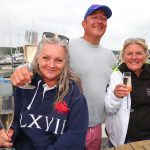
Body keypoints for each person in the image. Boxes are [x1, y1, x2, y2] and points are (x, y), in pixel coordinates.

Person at [10, 4, 116, 150]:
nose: (99, 21)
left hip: (93, 125)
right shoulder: (67, 44)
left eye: (103, 18)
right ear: (84, 23)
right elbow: (38, 60)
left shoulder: (110, 56)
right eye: (94, 17)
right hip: (64, 120)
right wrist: (20, 70)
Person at [0, 35, 88, 150]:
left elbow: (75, 138)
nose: (51, 65)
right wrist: (10, 130)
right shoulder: (24, 87)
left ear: (65, 62)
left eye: (58, 60)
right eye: (46, 58)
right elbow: (13, 118)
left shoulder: (75, 96)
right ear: (37, 58)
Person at [105, 38, 150, 147]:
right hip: (124, 138)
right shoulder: (117, 75)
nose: (134, 57)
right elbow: (109, 109)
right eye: (129, 53)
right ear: (123, 56)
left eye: (139, 53)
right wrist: (116, 96)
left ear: (146, 55)